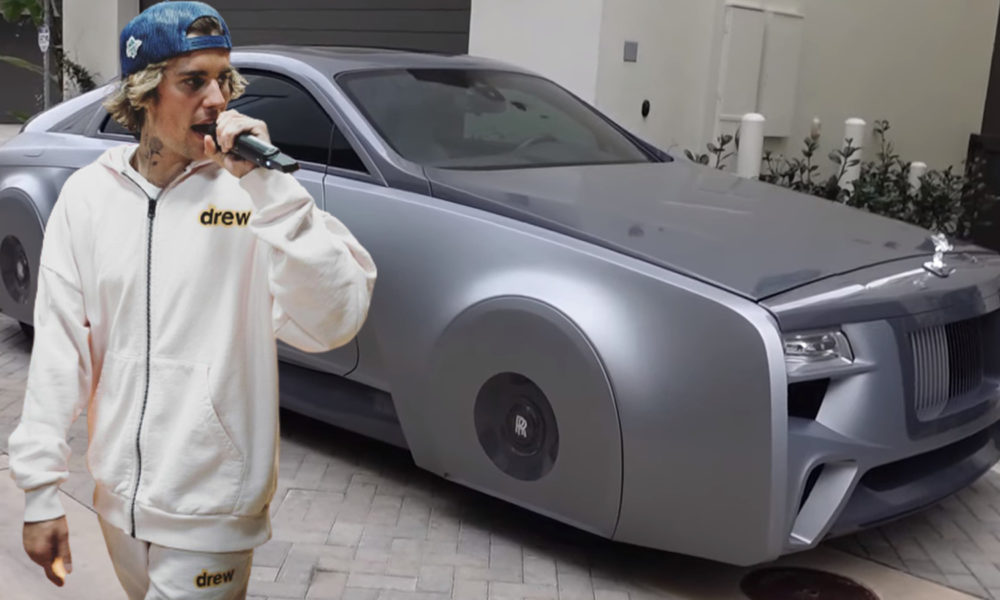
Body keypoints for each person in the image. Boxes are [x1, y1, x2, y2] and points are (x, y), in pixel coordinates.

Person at [7, 2, 377, 598]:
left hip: (212, 512)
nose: (217, 99)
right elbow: (60, 348)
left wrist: (270, 186)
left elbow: (337, 316)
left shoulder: (254, 196)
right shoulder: (88, 197)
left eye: (223, 80)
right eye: (193, 81)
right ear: (144, 93)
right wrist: (41, 492)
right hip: (118, 504)